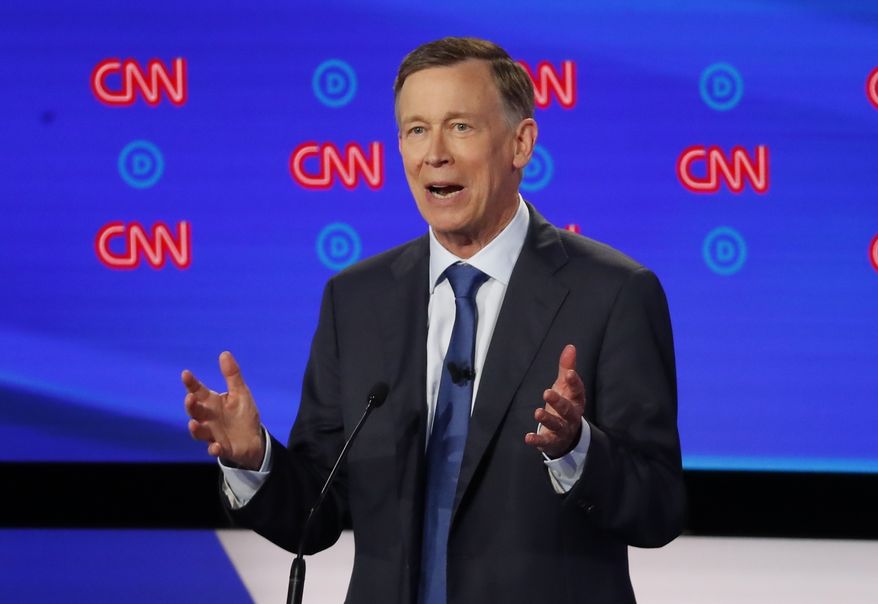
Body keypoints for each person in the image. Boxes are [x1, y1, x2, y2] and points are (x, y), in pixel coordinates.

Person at [183, 37, 685, 604]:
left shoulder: (613, 294)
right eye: (416, 130)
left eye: (461, 127)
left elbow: (659, 509)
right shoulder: (356, 300)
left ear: (520, 144)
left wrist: (576, 449)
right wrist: (255, 461)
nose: (434, 154)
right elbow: (316, 514)